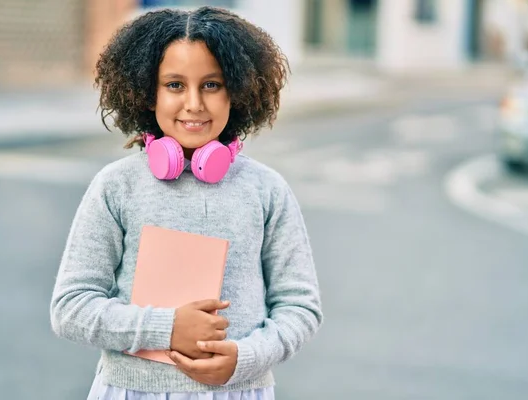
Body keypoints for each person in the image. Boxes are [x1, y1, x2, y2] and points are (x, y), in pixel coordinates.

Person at [49, 6, 323, 400]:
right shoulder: (116, 186)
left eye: (211, 85)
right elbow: (71, 308)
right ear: (146, 92)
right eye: (175, 85)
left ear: (239, 90)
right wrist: (167, 328)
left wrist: (246, 358)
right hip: (132, 391)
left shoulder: (267, 190)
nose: (194, 103)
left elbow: (300, 307)